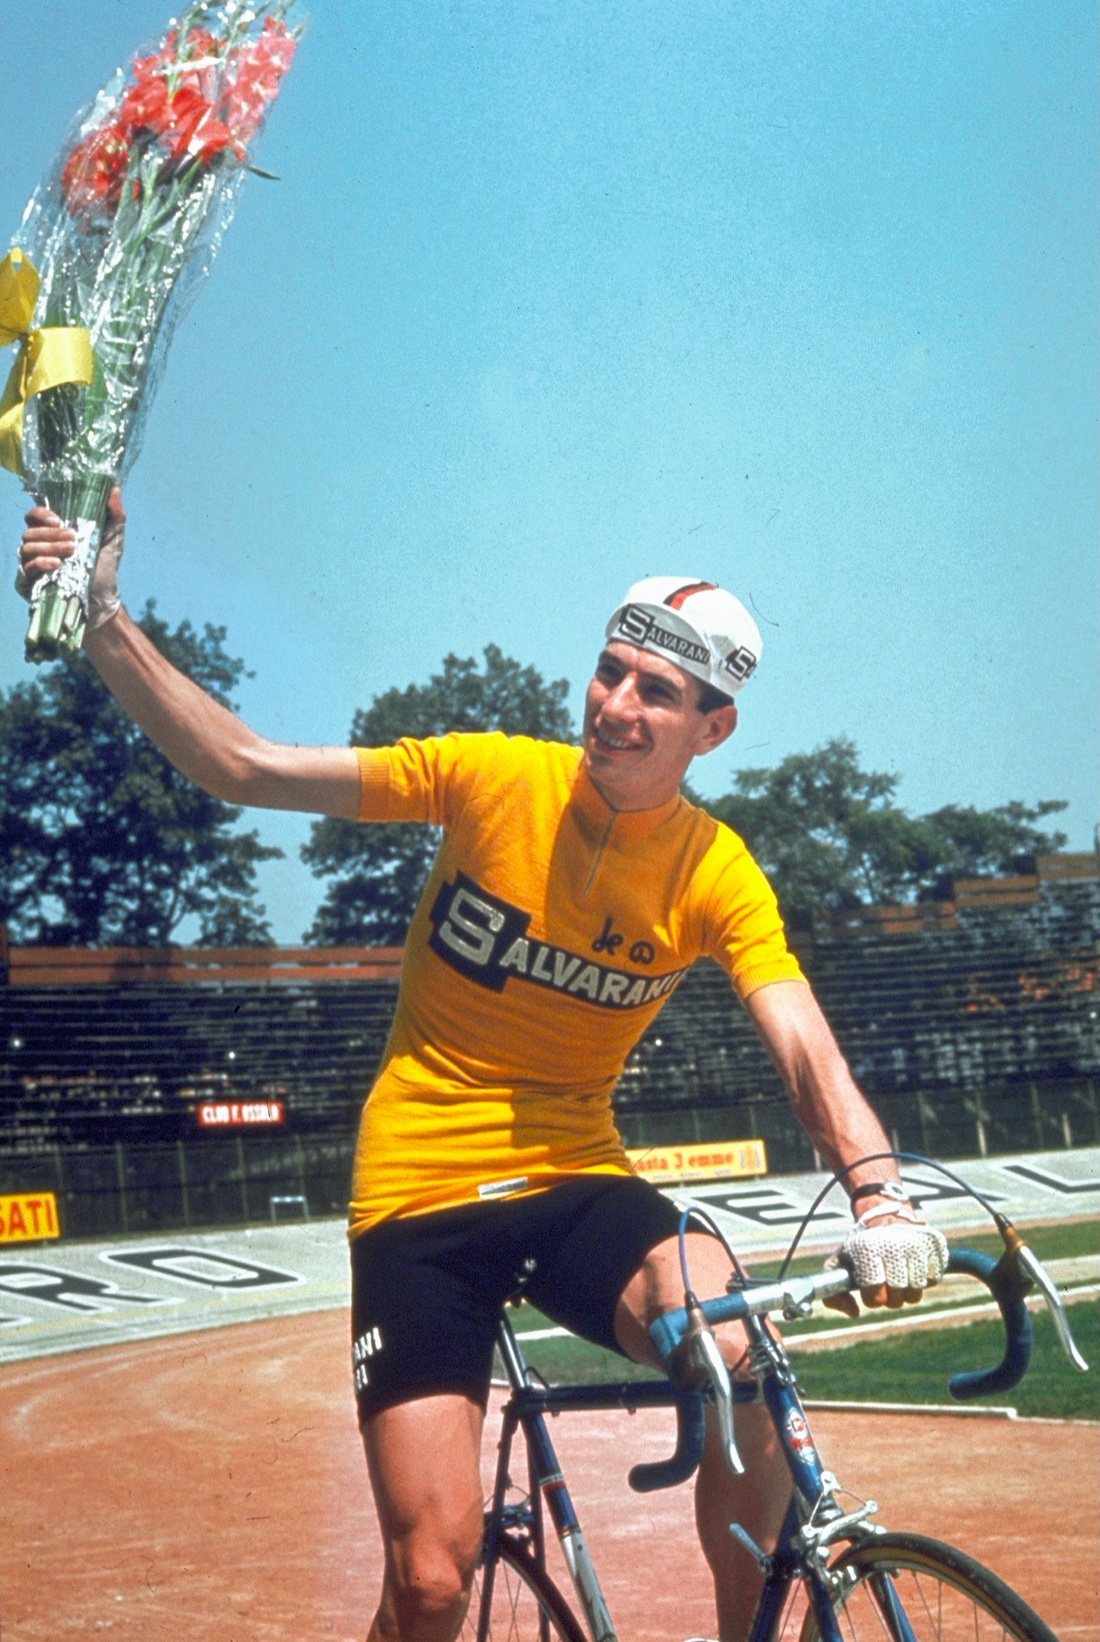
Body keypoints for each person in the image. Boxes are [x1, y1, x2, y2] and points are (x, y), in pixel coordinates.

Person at [17, 495, 947, 1642]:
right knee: (432, 1576)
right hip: (418, 1187)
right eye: (609, 672)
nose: (614, 706)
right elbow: (242, 763)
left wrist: (876, 1190)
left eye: (655, 692)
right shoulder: (487, 775)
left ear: (713, 729)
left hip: (574, 1178)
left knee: (739, 1348)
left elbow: (799, 1036)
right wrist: (103, 613)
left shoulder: (714, 866)